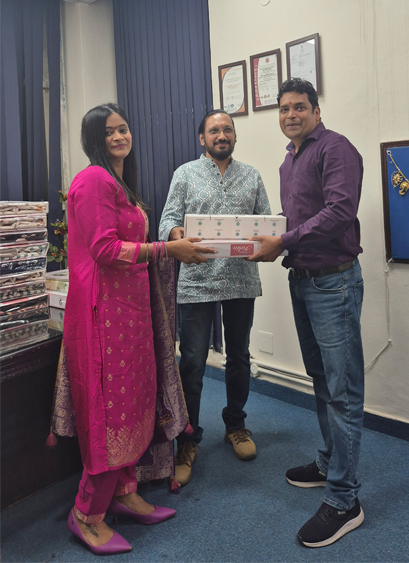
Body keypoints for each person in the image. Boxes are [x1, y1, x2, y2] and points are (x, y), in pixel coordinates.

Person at [57, 103, 216, 555]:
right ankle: (86, 514)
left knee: (133, 403)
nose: (119, 137)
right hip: (101, 312)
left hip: (129, 311)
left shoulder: (119, 182)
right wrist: (167, 250)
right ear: (94, 139)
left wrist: (164, 249)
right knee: (109, 412)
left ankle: (125, 493)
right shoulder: (93, 180)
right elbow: (105, 249)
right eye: (109, 132)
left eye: (123, 129)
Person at [249, 78, 365, 549]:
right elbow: (295, 221)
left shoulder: (336, 149)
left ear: (317, 111)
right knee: (322, 382)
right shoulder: (289, 159)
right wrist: (270, 238)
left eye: (300, 107)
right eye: (284, 108)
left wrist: (283, 241)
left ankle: (344, 500)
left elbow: (340, 212)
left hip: (334, 284)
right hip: (303, 281)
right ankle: (329, 463)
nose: (291, 114)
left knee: (342, 391)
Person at [158, 109, 270, 485]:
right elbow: (167, 220)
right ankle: (188, 440)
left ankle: (236, 426)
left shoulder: (252, 176)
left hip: (240, 279)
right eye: (214, 130)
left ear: (234, 136)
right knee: (192, 363)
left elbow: (266, 222)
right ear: (202, 139)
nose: (222, 135)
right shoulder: (185, 174)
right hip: (196, 280)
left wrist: (267, 241)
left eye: (227, 129)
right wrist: (176, 236)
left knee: (239, 356)